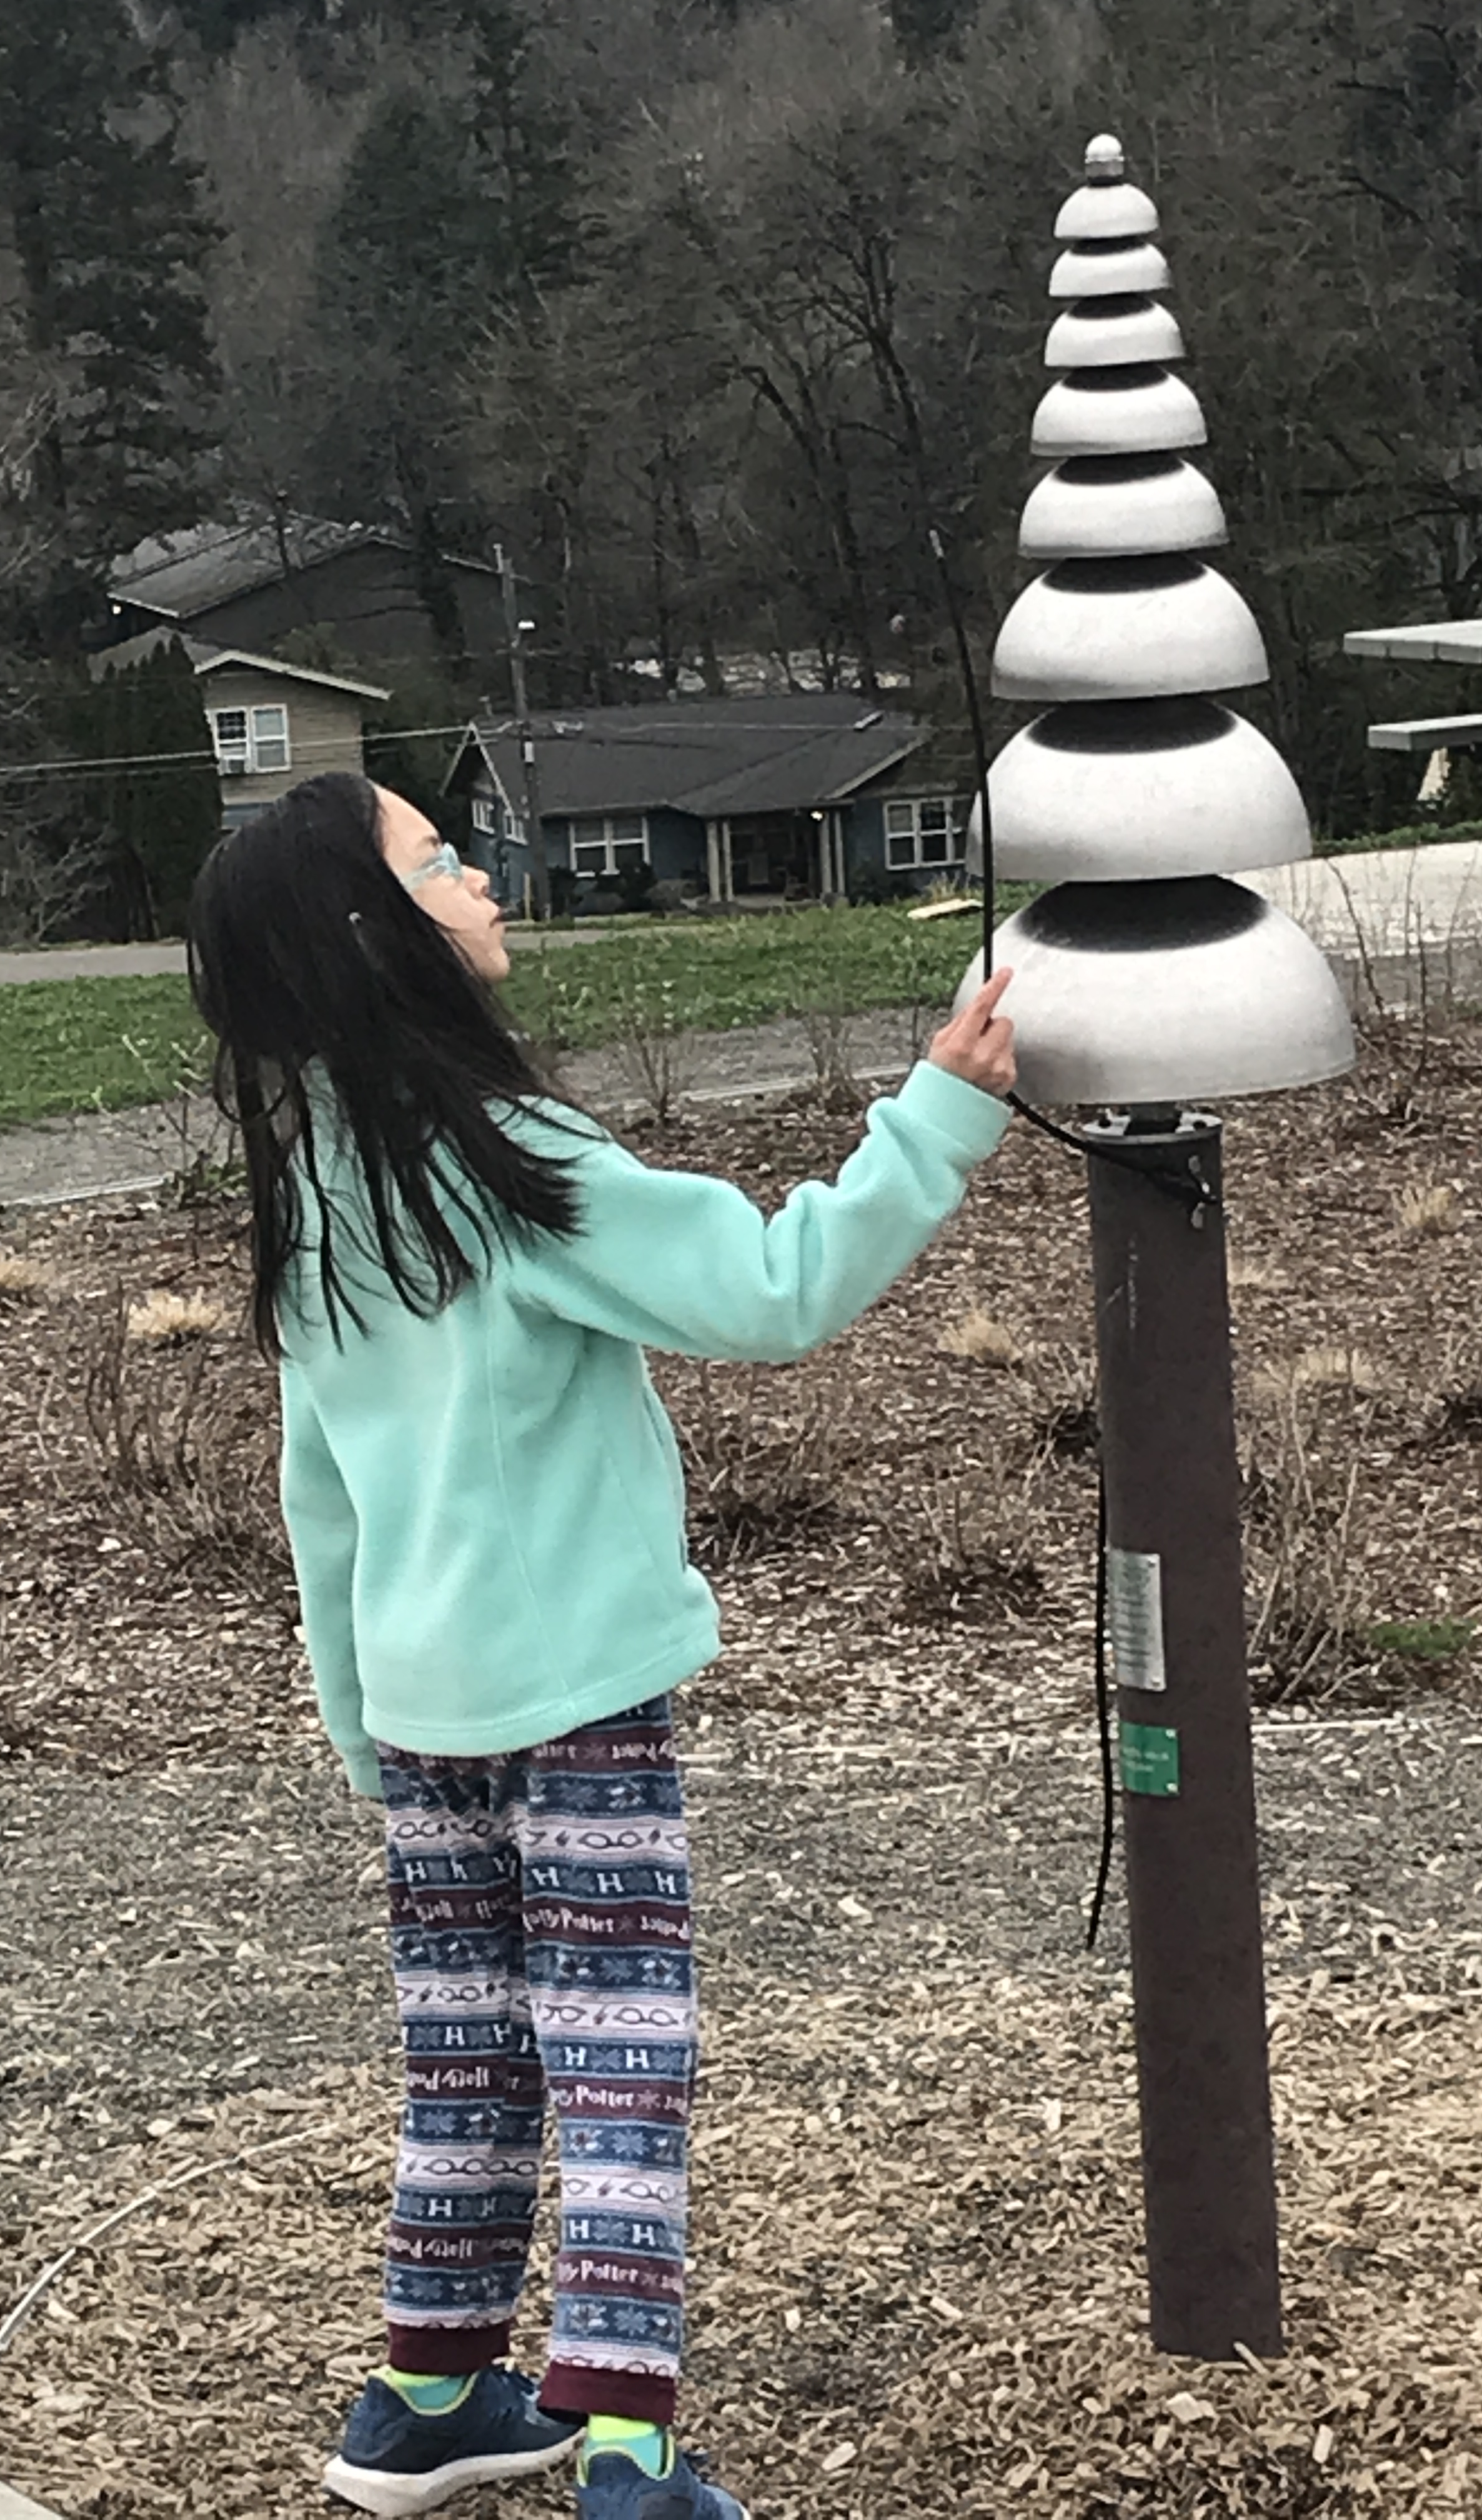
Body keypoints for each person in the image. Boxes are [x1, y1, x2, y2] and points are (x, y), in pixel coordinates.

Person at [186, 773, 1016, 2520]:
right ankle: (628, 2449)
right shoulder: (509, 1164)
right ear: (377, 936)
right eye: (440, 859)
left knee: (471, 2051)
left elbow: (320, 1497)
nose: (483, 875)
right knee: (621, 2052)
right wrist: (938, 1113)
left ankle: (427, 2397)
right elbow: (773, 1290)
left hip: (422, 1711)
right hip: (575, 1699)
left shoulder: (315, 1196)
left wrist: (360, 1722)